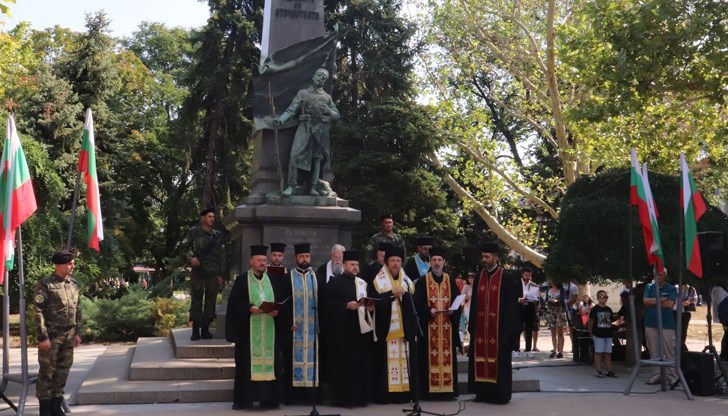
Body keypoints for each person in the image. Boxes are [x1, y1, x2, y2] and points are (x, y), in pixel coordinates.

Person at [226, 245, 283, 410]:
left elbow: (280, 302)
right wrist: (249, 308)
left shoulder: (272, 279)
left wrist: (276, 312)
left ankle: (270, 399)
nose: (262, 263)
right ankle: (244, 400)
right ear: (251, 261)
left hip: (269, 332)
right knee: (246, 366)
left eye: (264, 260)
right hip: (248, 333)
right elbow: (235, 303)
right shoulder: (243, 279)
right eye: (259, 260)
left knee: (271, 365)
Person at [467, 242, 520, 404]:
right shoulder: (478, 277)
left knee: (500, 362)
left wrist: (508, 330)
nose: (484, 259)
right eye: (483, 256)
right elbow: (475, 303)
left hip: (499, 330)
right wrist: (472, 326)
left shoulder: (506, 277)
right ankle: (481, 393)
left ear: (495, 258)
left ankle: (500, 394)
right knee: (479, 359)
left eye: (487, 257)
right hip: (480, 329)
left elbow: (511, 307)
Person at [275, 67, 339, 197]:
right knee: (295, 155)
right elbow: (291, 110)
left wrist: (328, 111)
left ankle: (313, 188)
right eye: (320, 75)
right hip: (305, 128)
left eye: (324, 78)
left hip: (320, 131)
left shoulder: (327, 97)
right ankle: (291, 186)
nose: (321, 78)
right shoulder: (303, 93)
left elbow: (337, 115)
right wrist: (281, 120)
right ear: (313, 76)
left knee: (317, 158)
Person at [33, 249, 82, 416]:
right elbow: (38, 311)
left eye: (72, 262)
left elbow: (78, 309)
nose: (73, 266)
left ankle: (56, 404)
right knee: (47, 371)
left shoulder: (73, 284)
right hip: (52, 336)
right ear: (59, 265)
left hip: (69, 335)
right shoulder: (46, 284)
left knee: (63, 370)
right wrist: (43, 337)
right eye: (69, 263)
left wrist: (77, 333)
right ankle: (45, 407)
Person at [323, 250, 374, 407]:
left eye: (357, 265)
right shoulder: (334, 283)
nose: (355, 267)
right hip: (342, 334)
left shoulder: (362, 283)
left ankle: (360, 398)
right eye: (352, 264)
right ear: (344, 265)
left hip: (359, 332)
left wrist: (370, 308)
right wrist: (345, 305)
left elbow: (367, 303)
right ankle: (343, 399)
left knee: (359, 366)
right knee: (344, 367)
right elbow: (326, 304)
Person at [371, 246, 417, 404]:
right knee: (387, 364)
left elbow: (412, 303)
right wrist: (391, 294)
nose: (396, 264)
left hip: (403, 331)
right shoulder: (378, 280)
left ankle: (403, 394)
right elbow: (375, 302)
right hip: (387, 330)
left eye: (398, 260)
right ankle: (387, 395)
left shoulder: (406, 280)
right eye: (393, 260)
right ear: (387, 262)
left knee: (404, 363)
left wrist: (404, 294)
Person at [414, 247, 460, 400]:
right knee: (428, 357)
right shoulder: (423, 281)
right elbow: (417, 302)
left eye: (439, 260)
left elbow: (456, 302)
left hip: (447, 326)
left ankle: (447, 390)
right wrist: (428, 310)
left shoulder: (450, 280)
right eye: (434, 260)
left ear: (444, 262)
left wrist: (453, 311)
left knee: (447, 357)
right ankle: (429, 391)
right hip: (429, 328)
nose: (437, 263)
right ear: (430, 262)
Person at [278, 243, 321, 404]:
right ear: (296, 258)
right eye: (302, 256)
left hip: (312, 330)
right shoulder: (287, 278)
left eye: (307, 256)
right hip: (294, 330)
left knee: (313, 363)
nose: (305, 259)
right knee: (291, 364)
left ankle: (311, 397)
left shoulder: (316, 277)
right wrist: (288, 322)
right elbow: (283, 303)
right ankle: (292, 397)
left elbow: (322, 303)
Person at [179, 208, 226, 340]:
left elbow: (222, 256)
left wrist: (221, 274)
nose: (212, 219)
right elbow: (183, 248)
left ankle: (205, 328)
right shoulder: (194, 232)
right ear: (203, 218)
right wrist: (190, 258)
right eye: (209, 216)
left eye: (213, 217)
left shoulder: (217, 235)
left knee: (211, 302)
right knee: (196, 301)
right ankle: (195, 330)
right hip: (198, 271)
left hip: (213, 272)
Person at [643, 267, 678, 385]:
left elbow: (669, 304)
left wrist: (653, 301)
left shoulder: (672, 288)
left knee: (669, 351)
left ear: (665, 276)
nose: (659, 276)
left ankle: (672, 377)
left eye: (661, 274)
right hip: (651, 323)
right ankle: (656, 375)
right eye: (657, 274)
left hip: (667, 324)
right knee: (654, 351)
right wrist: (661, 299)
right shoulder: (649, 287)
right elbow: (645, 301)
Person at [589, 290, 617, 378]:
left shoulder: (608, 309)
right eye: (602, 297)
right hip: (598, 334)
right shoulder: (595, 309)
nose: (604, 298)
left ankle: (609, 370)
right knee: (599, 352)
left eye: (606, 297)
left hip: (608, 334)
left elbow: (611, 320)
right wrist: (591, 332)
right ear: (598, 298)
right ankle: (598, 370)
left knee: (608, 352)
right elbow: (591, 321)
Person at [516, 268, 540, 358]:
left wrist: (535, 300)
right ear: (522, 274)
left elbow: (537, 298)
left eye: (529, 275)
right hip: (519, 308)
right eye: (526, 275)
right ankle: (516, 349)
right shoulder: (516, 284)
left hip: (530, 308)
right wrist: (519, 299)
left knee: (529, 329)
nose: (528, 277)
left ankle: (528, 350)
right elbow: (512, 296)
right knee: (518, 329)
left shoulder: (534, 285)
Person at [545, 280, 567, 358]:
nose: (552, 281)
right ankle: (554, 350)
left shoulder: (561, 289)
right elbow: (546, 300)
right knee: (553, 332)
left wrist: (556, 301)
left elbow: (562, 300)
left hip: (559, 311)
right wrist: (549, 302)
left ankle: (560, 351)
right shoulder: (548, 290)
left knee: (560, 332)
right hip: (551, 311)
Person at [677, 283, 697, 351]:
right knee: (676, 330)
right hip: (676, 311)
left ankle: (682, 344)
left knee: (684, 330)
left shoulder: (692, 289)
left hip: (686, 312)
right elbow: (675, 299)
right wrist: (682, 302)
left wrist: (689, 301)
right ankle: (677, 345)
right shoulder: (677, 287)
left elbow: (695, 298)